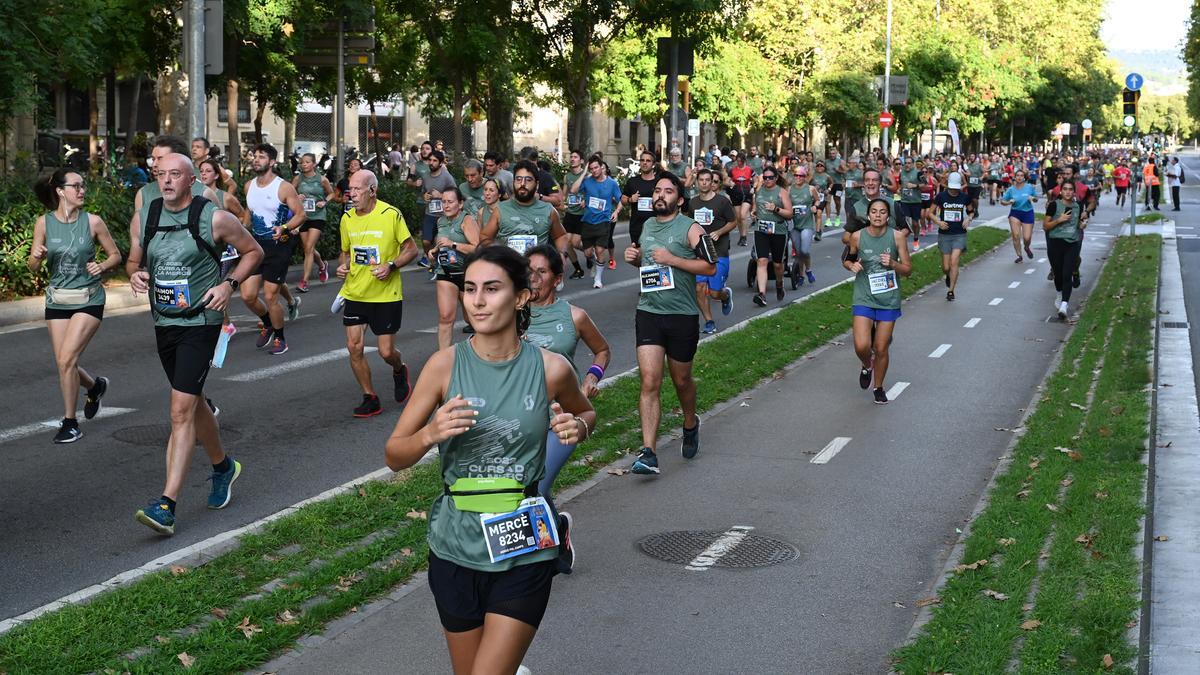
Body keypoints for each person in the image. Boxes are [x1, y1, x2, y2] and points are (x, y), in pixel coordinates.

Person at [383, 246, 595, 674]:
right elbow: (394, 455)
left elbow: (585, 411)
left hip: (524, 546)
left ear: (520, 297)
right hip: (455, 546)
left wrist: (580, 427)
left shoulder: (550, 369)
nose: (477, 301)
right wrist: (429, 434)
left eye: (491, 289)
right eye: (469, 289)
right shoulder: (445, 366)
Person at [125, 153, 263, 535]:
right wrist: (136, 275)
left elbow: (254, 252)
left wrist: (228, 284)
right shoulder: (146, 217)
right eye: (160, 175)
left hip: (202, 321)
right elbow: (133, 260)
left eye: (174, 175)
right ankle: (223, 467)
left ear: (191, 180)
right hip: (164, 321)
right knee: (193, 399)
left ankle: (166, 505)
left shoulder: (215, 216)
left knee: (180, 410)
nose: (166, 181)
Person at [623, 173, 716, 475]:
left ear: (679, 198)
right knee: (650, 381)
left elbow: (710, 266)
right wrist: (635, 258)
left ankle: (690, 422)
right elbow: (648, 262)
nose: (661, 195)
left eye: (668, 191)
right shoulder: (648, 225)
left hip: (681, 314)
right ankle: (648, 451)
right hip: (648, 311)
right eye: (658, 191)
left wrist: (673, 259)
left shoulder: (691, 228)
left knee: (681, 381)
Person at [28, 170, 122, 443]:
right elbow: (33, 266)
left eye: (83, 186)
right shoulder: (43, 224)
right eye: (76, 186)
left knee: (67, 360)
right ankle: (95, 386)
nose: (82, 190)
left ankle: (70, 422)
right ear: (60, 191)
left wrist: (102, 265)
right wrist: (36, 257)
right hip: (58, 299)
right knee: (64, 362)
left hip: (88, 298)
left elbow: (115, 254)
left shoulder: (93, 222)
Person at [526, 243, 611, 504]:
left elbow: (602, 350)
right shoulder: (509, 313)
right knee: (529, 492)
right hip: (520, 417)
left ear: (558, 279)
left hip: (561, 417)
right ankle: (559, 533)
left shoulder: (575, 316)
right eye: (528, 271)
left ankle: (554, 538)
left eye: (541, 272)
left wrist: (590, 379)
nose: (533, 278)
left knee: (536, 490)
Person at [844, 198, 912, 405]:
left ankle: (879, 387)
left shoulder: (898, 237)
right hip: (864, 296)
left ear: (888, 216)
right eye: (874, 211)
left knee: (881, 347)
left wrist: (893, 263)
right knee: (861, 345)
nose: (878, 215)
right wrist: (851, 266)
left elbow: (908, 269)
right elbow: (849, 258)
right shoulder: (857, 237)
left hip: (888, 298)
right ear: (869, 214)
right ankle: (867, 365)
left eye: (882, 212)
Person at [242, 143, 306, 356]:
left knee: (270, 296)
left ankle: (280, 338)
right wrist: (238, 231)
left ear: (271, 162)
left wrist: (285, 227)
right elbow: (248, 215)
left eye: (261, 157)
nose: (256, 159)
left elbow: (300, 215)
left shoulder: (283, 187)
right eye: (255, 156)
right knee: (248, 296)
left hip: (279, 245)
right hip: (255, 246)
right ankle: (268, 323)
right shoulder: (248, 185)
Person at [482, 160, 569, 263]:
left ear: (536, 185)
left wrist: (562, 255)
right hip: (509, 271)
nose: (522, 184)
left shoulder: (548, 210)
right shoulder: (500, 209)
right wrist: (497, 255)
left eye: (528, 180)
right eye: (518, 179)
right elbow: (485, 237)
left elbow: (561, 236)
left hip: (536, 272)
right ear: (513, 182)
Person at [430, 188, 481, 349]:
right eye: (443, 202)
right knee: (445, 317)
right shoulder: (441, 221)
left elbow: (477, 248)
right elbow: (440, 245)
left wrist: (454, 244)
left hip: (467, 274)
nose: (446, 205)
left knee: (471, 318)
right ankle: (443, 358)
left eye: (450, 202)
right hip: (446, 272)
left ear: (460, 204)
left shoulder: (466, 221)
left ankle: (481, 352)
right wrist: (433, 252)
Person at [690, 169, 737, 334]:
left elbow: (733, 222)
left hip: (719, 252)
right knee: (700, 287)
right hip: (699, 254)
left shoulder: (722, 202)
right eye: (700, 180)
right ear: (697, 182)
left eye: (707, 180)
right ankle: (709, 321)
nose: (703, 183)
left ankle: (725, 296)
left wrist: (719, 232)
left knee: (715, 293)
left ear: (712, 183)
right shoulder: (692, 203)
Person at [570, 156, 623, 288]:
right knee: (588, 253)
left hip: (604, 221)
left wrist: (616, 211)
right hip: (588, 221)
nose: (594, 170)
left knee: (600, 250)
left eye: (596, 167)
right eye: (591, 168)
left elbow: (621, 199)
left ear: (601, 167)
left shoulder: (611, 183)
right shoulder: (587, 181)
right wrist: (584, 172)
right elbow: (573, 190)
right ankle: (594, 262)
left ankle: (598, 279)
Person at [291, 153, 335, 292]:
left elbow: (331, 193)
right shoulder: (298, 178)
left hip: (318, 216)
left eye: (307, 162)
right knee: (307, 249)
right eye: (302, 162)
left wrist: (325, 201)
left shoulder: (322, 179)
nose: (304, 164)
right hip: (303, 217)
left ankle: (304, 282)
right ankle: (322, 266)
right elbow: (289, 194)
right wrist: (297, 196)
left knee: (309, 248)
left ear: (314, 164)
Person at [1044, 181, 1087, 320]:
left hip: (1072, 243)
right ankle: (1059, 292)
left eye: (1070, 190)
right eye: (1065, 189)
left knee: (1067, 273)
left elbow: (1079, 223)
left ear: (1074, 192)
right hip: (1055, 243)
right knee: (1058, 274)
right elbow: (1046, 226)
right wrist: (1059, 220)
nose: (1068, 192)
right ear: (1061, 191)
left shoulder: (1078, 206)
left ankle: (1064, 305)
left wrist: (1082, 224)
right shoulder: (1054, 205)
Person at [750, 168, 793, 306]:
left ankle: (779, 284)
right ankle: (762, 294)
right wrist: (754, 212)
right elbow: (755, 207)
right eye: (765, 177)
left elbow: (790, 214)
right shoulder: (759, 191)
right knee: (761, 261)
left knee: (777, 264)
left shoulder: (782, 192)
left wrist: (776, 209)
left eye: (770, 177)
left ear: (775, 178)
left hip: (778, 231)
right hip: (761, 229)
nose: (767, 180)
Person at [932, 172, 972, 301]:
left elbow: (971, 211)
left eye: (956, 188)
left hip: (959, 233)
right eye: (952, 188)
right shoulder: (941, 197)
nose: (954, 191)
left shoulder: (965, 197)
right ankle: (948, 275)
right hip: (945, 234)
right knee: (946, 267)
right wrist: (938, 222)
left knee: (954, 262)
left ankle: (951, 291)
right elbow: (929, 213)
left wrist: (968, 219)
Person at [418, 151, 459, 275]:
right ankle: (432, 261)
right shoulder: (425, 176)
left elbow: (455, 194)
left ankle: (445, 267)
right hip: (430, 213)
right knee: (426, 241)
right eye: (430, 160)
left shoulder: (447, 177)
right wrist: (424, 196)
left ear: (441, 163)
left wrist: (440, 195)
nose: (431, 163)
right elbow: (423, 191)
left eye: (435, 160)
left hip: (443, 215)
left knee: (440, 241)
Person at [622, 150, 661, 251]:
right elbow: (623, 200)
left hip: (657, 227)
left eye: (648, 161)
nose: (644, 162)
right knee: (639, 257)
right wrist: (631, 199)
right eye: (642, 160)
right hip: (637, 227)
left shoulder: (660, 182)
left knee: (653, 256)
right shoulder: (633, 181)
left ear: (653, 164)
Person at [788, 165, 820, 290]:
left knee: (805, 250)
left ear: (805, 177)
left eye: (801, 175)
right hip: (794, 225)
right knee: (799, 252)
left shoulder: (810, 189)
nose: (798, 178)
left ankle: (809, 270)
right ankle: (801, 275)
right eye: (796, 175)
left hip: (806, 224)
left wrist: (815, 206)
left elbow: (818, 200)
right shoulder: (790, 189)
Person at [559, 150, 588, 279]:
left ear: (581, 161)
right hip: (570, 213)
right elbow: (564, 194)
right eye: (571, 157)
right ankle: (578, 269)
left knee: (575, 243)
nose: (572, 159)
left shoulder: (587, 176)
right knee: (567, 243)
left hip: (582, 214)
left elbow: (593, 192)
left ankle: (589, 254)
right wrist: (562, 203)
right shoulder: (567, 176)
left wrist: (586, 200)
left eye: (575, 157)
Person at [1001, 169, 1038, 263]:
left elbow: (1036, 198)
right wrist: (1009, 202)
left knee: (1027, 237)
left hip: (1027, 213)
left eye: (1021, 175)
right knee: (1016, 235)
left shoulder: (1029, 187)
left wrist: (1033, 198)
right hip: (1015, 213)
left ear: (1024, 178)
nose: (1019, 177)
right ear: (1015, 177)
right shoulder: (1011, 189)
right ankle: (1019, 255)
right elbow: (1002, 201)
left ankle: (1026, 247)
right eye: (1018, 175)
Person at [728, 154, 754, 246]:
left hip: (747, 194)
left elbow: (757, 179)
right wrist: (730, 183)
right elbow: (727, 180)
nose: (739, 163)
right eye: (737, 161)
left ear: (744, 161)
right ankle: (741, 236)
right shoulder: (733, 170)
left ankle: (744, 236)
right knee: (738, 217)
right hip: (736, 194)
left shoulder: (749, 169)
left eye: (740, 161)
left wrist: (753, 188)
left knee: (743, 215)